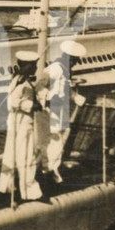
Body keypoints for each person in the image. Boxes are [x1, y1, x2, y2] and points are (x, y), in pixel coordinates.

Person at [0, 51, 44, 202]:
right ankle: (29, 192)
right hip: (22, 123)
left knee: (11, 155)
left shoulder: (19, 80)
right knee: (26, 157)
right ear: (26, 66)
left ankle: (5, 187)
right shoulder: (21, 83)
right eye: (34, 65)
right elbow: (11, 102)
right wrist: (33, 106)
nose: (36, 68)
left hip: (17, 122)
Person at [40, 40, 87, 183]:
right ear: (69, 58)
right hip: (51, 110)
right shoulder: (55, 69)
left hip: (60, 110)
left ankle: (51, 168)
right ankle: (49, 170)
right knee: (53, 141)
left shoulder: (65, 70)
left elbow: (65, 88)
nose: (75, 63)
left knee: (57, 139)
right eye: (74, 60)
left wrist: (75, 97)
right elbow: (40, 87)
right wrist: (49, 99)